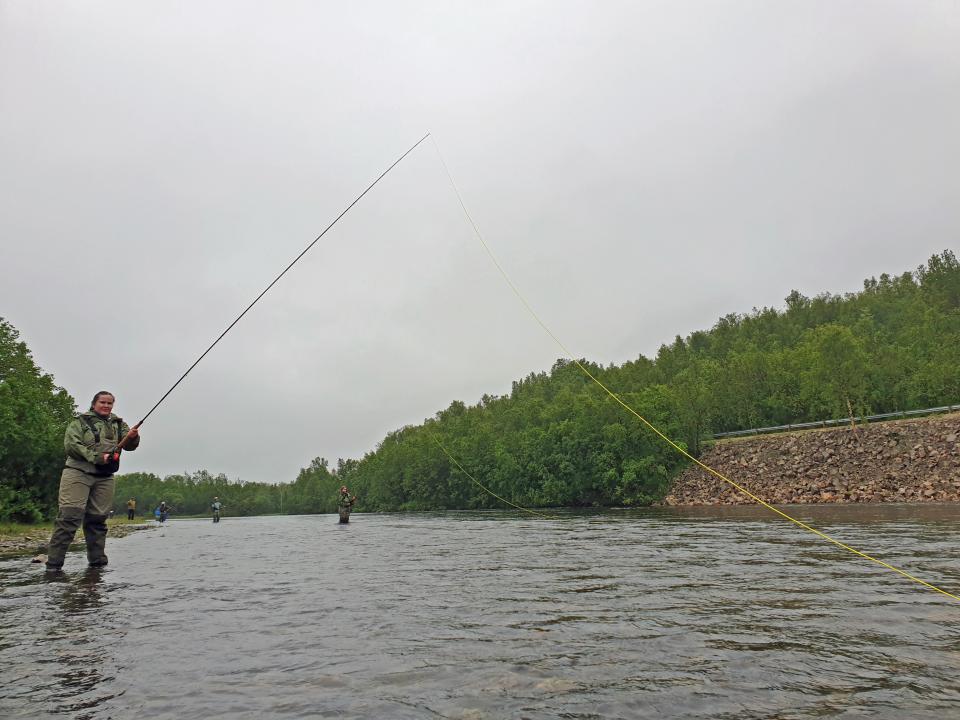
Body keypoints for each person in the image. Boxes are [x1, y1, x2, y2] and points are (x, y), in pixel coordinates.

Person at [45, 391, 141, 572]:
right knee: (69, 517)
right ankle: (53, 566)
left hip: (105, 477)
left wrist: (133, 437)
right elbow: (72, 446)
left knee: (97, 520)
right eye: (102, 402)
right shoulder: (79, 422)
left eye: (109, 403)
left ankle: (97, 565)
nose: (106, 406)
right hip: (77, 472)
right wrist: (97, 457)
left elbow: (130, 447)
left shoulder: (119, 424)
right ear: (94, 403)